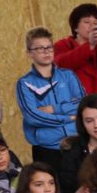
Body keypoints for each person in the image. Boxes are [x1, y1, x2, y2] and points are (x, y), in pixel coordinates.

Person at [17, 27, 85, 166]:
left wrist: (53, 109)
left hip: (76, 142)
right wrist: (68, 118)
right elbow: (32, 117)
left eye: (49, 47)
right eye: (40, 48)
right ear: (29, 53)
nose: (46, 51)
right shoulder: (25, 83)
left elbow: (83, 104)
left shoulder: (68, 75)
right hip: (47, 149)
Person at [53, 3, 97, 103]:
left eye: (96, 23)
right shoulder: (63, 45)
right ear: (75, 27)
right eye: (87, 22)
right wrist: (90, 46)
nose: (92, 26)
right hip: (78, 105)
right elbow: (62, 66)